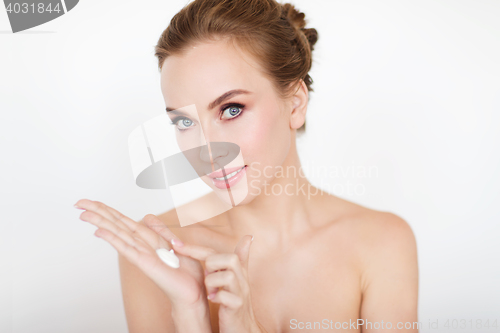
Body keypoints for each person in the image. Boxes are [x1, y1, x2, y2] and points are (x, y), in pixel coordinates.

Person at [75, 0, 419, 331]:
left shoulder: (381, 243)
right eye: (184, 122)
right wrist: (190, 315)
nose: (207, 151)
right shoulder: (158, 253)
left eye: (231, 109)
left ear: (296, 103)